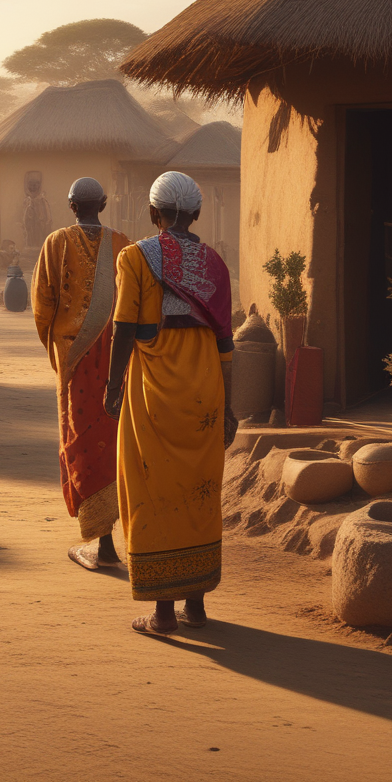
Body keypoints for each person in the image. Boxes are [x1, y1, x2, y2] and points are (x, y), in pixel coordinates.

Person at [105, 171, 235, 635]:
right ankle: (195, 607)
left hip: (153, 385)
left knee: (150, 487)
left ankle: (162, 615)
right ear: (197, 214)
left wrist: (113, 386)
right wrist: (231, 406)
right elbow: (225, 343)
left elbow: (123, 326)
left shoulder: (135, 257)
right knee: (200, 489)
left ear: (153, 213)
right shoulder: (216, 264)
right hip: (205, 388)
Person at [32, 178, 131, 570]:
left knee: (80, 439)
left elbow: (43, 305)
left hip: (74, 357)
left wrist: (58, 350)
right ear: (103, 204)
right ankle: (112, 538)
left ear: (72, 205)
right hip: (115, 357)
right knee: (111, 439)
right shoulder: (123, 244)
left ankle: (103, 545)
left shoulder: (55, 242)